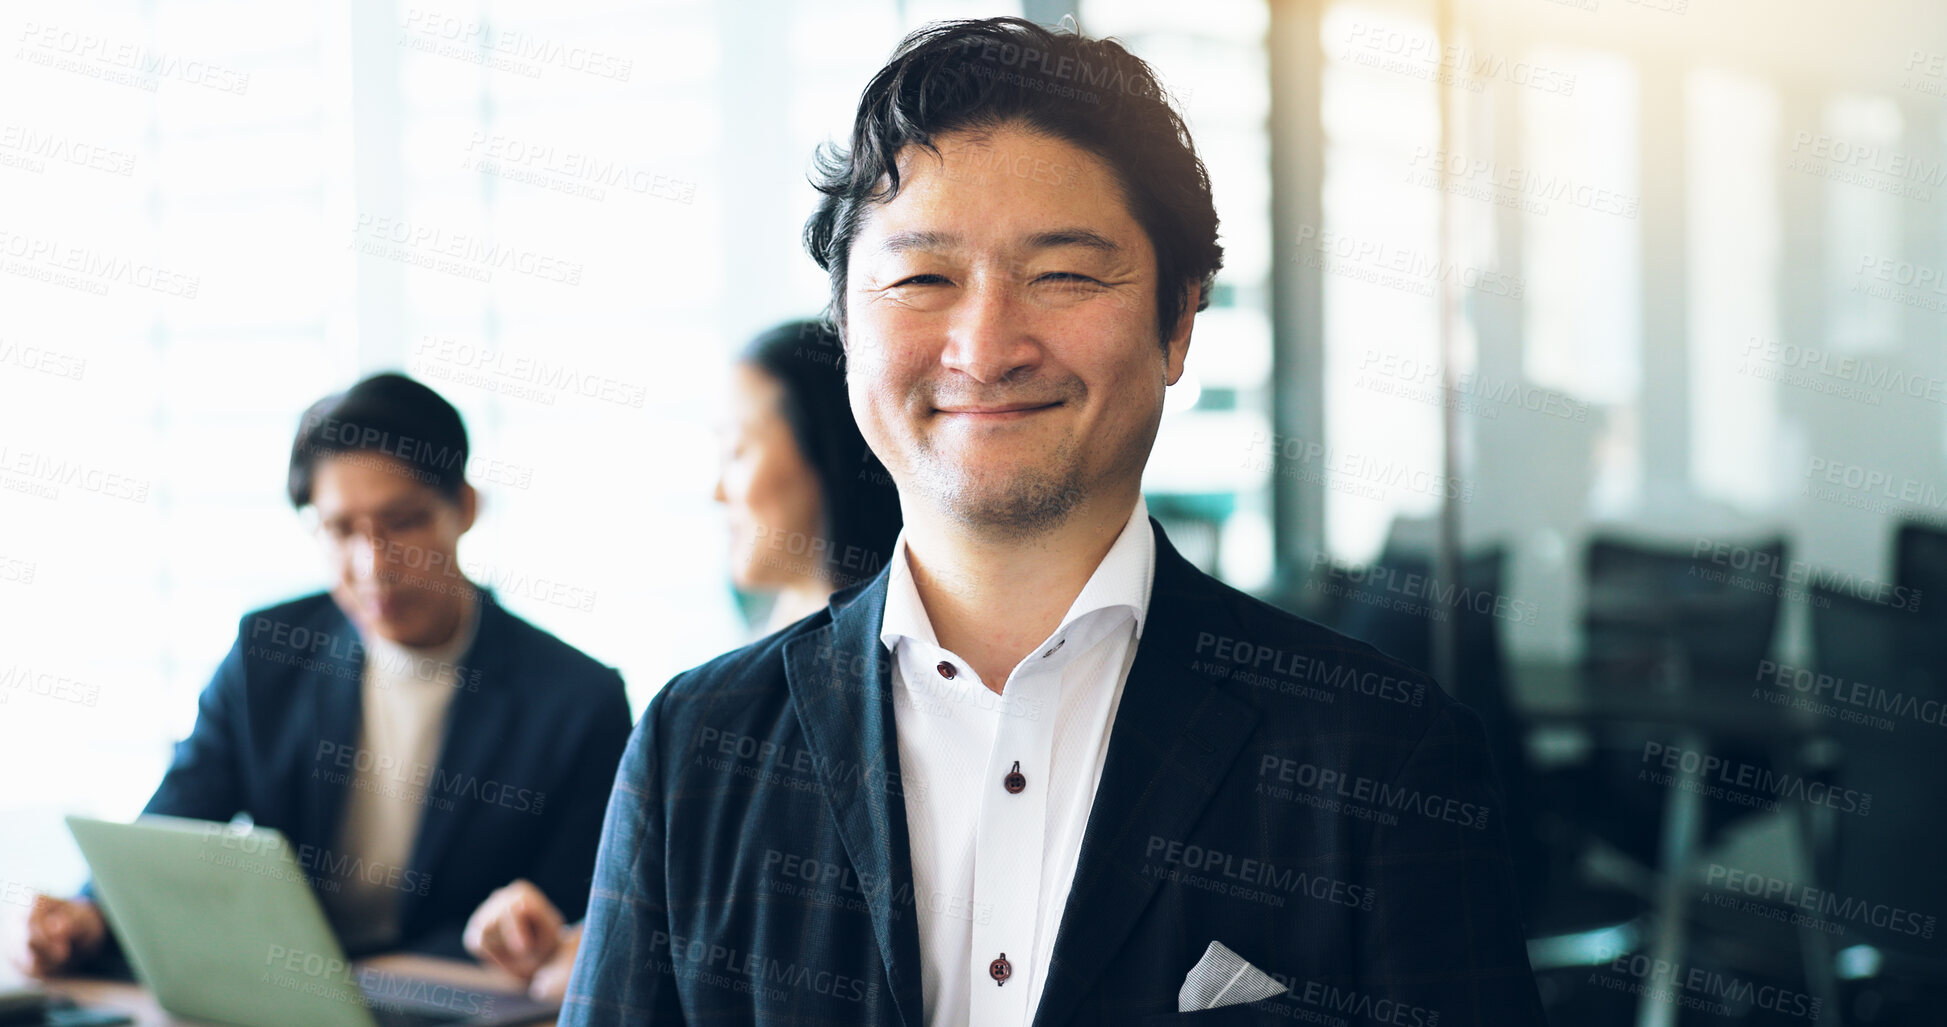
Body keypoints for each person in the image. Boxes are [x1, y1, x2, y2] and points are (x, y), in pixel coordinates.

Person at [561, 16, 1545, 1027]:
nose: (985, 348)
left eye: (1064, 273)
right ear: (846, 330)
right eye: (922, 279)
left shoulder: (1381, 753)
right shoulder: (697, 746)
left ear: (1178, 320)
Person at [15, 373, 632, 978]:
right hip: (283, 996)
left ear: (464, 508)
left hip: (458, 999)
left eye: (404, 521)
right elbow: (176, 825)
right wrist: (89, 913)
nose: (374, 564)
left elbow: (581, 915)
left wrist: (530, 929)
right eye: (340, 530)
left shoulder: (578, 701)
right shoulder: (269, 652)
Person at [462, 321, 903, 999]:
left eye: (736, 451)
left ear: (832, 448)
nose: (717, 492)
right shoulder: (733, 680)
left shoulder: (890, 683)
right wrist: (584, 937)